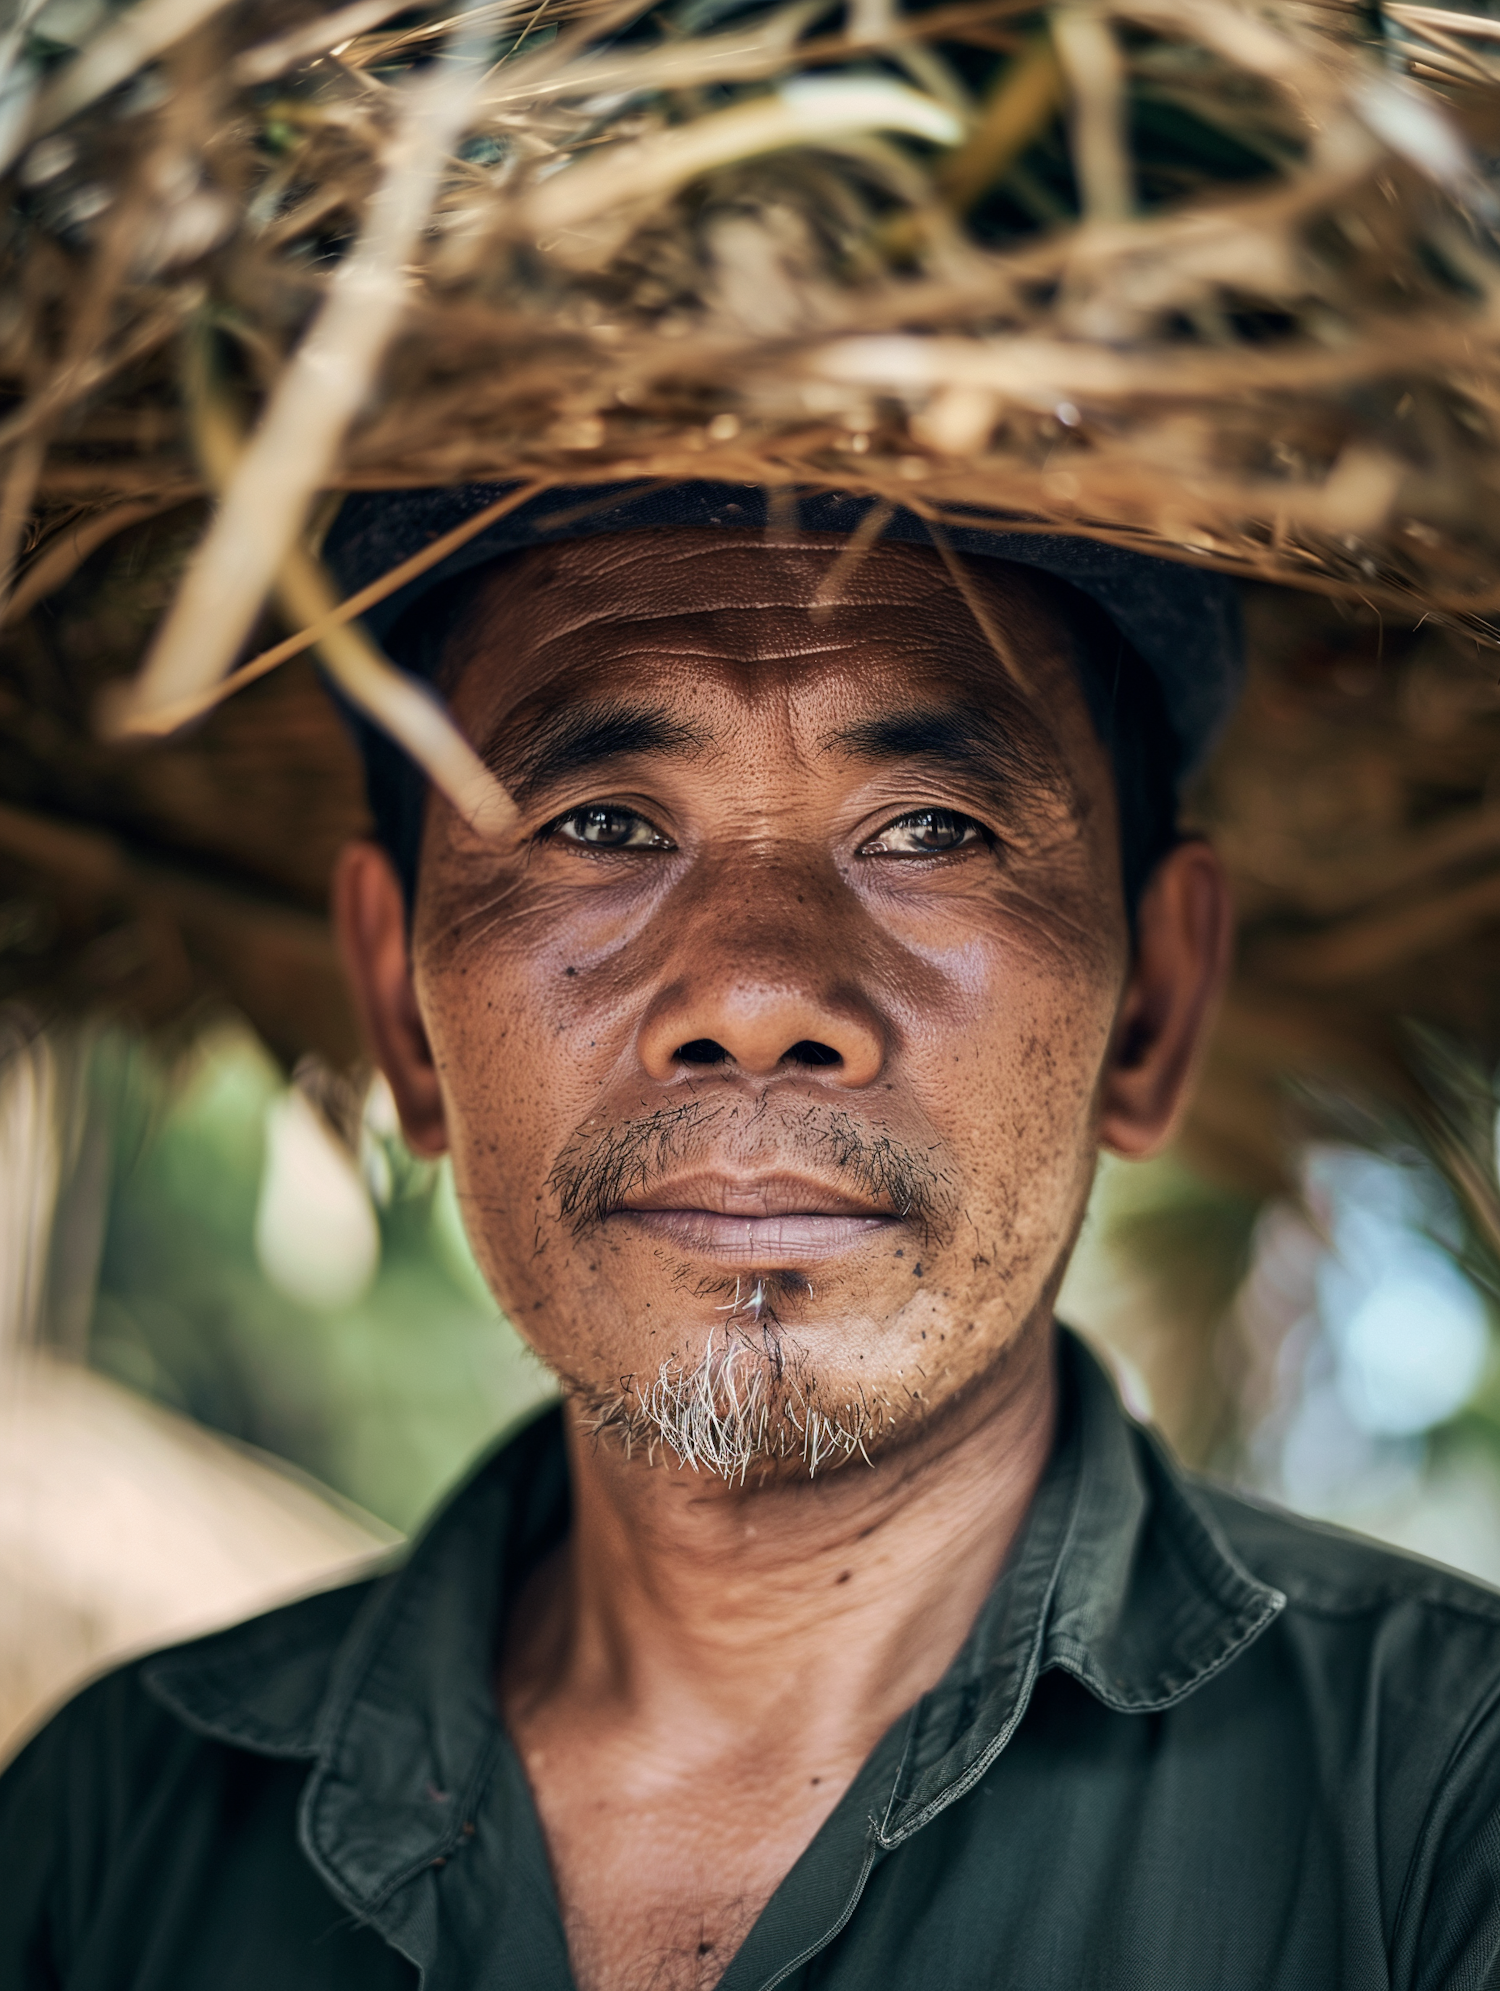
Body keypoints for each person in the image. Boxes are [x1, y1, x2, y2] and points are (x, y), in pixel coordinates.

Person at [3, 483, 1498, 1991]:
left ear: (1155, 1005)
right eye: (601, 824)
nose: (760, 994)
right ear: (400, 1004)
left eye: (930, 828)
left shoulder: (1442, 1815)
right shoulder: (108, 1838)